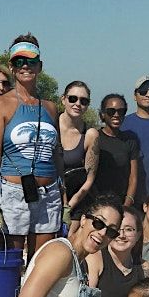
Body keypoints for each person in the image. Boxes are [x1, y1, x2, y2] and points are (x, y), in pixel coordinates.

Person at [0, 34, 62, 261]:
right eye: (19, 61)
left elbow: (57, 155)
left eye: (31, 61)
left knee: (41, 264)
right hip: (14, 192)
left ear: (40, 66)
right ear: (11, 66)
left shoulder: (50, 107)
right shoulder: (1, 105)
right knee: (13, 261)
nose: (25, 66)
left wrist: (65, 199)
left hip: (49, 193)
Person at [87, 206, 143, 297]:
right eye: (116, 229)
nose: (121, 235)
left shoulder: (144, 268)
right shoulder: (95, 259)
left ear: (138, 235)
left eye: (129, 229)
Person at [88, 93, 140, 207]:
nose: (116, 115)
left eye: (121, 111)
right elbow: (87, 175)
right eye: (111, 111)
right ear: (102, 114)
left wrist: (127, 204)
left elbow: (133, 177)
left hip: (121, 203)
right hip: (95, 202)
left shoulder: (130, 140)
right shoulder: (95, 138)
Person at [58, 81, 99, 217]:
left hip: (76, 204)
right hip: (46, 198)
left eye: (83, 101)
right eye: (72, 98)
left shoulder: (90, 135)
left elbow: (89, 179)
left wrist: (68, 207)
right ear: (63, 99)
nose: (78, 104)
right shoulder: (49, 125)